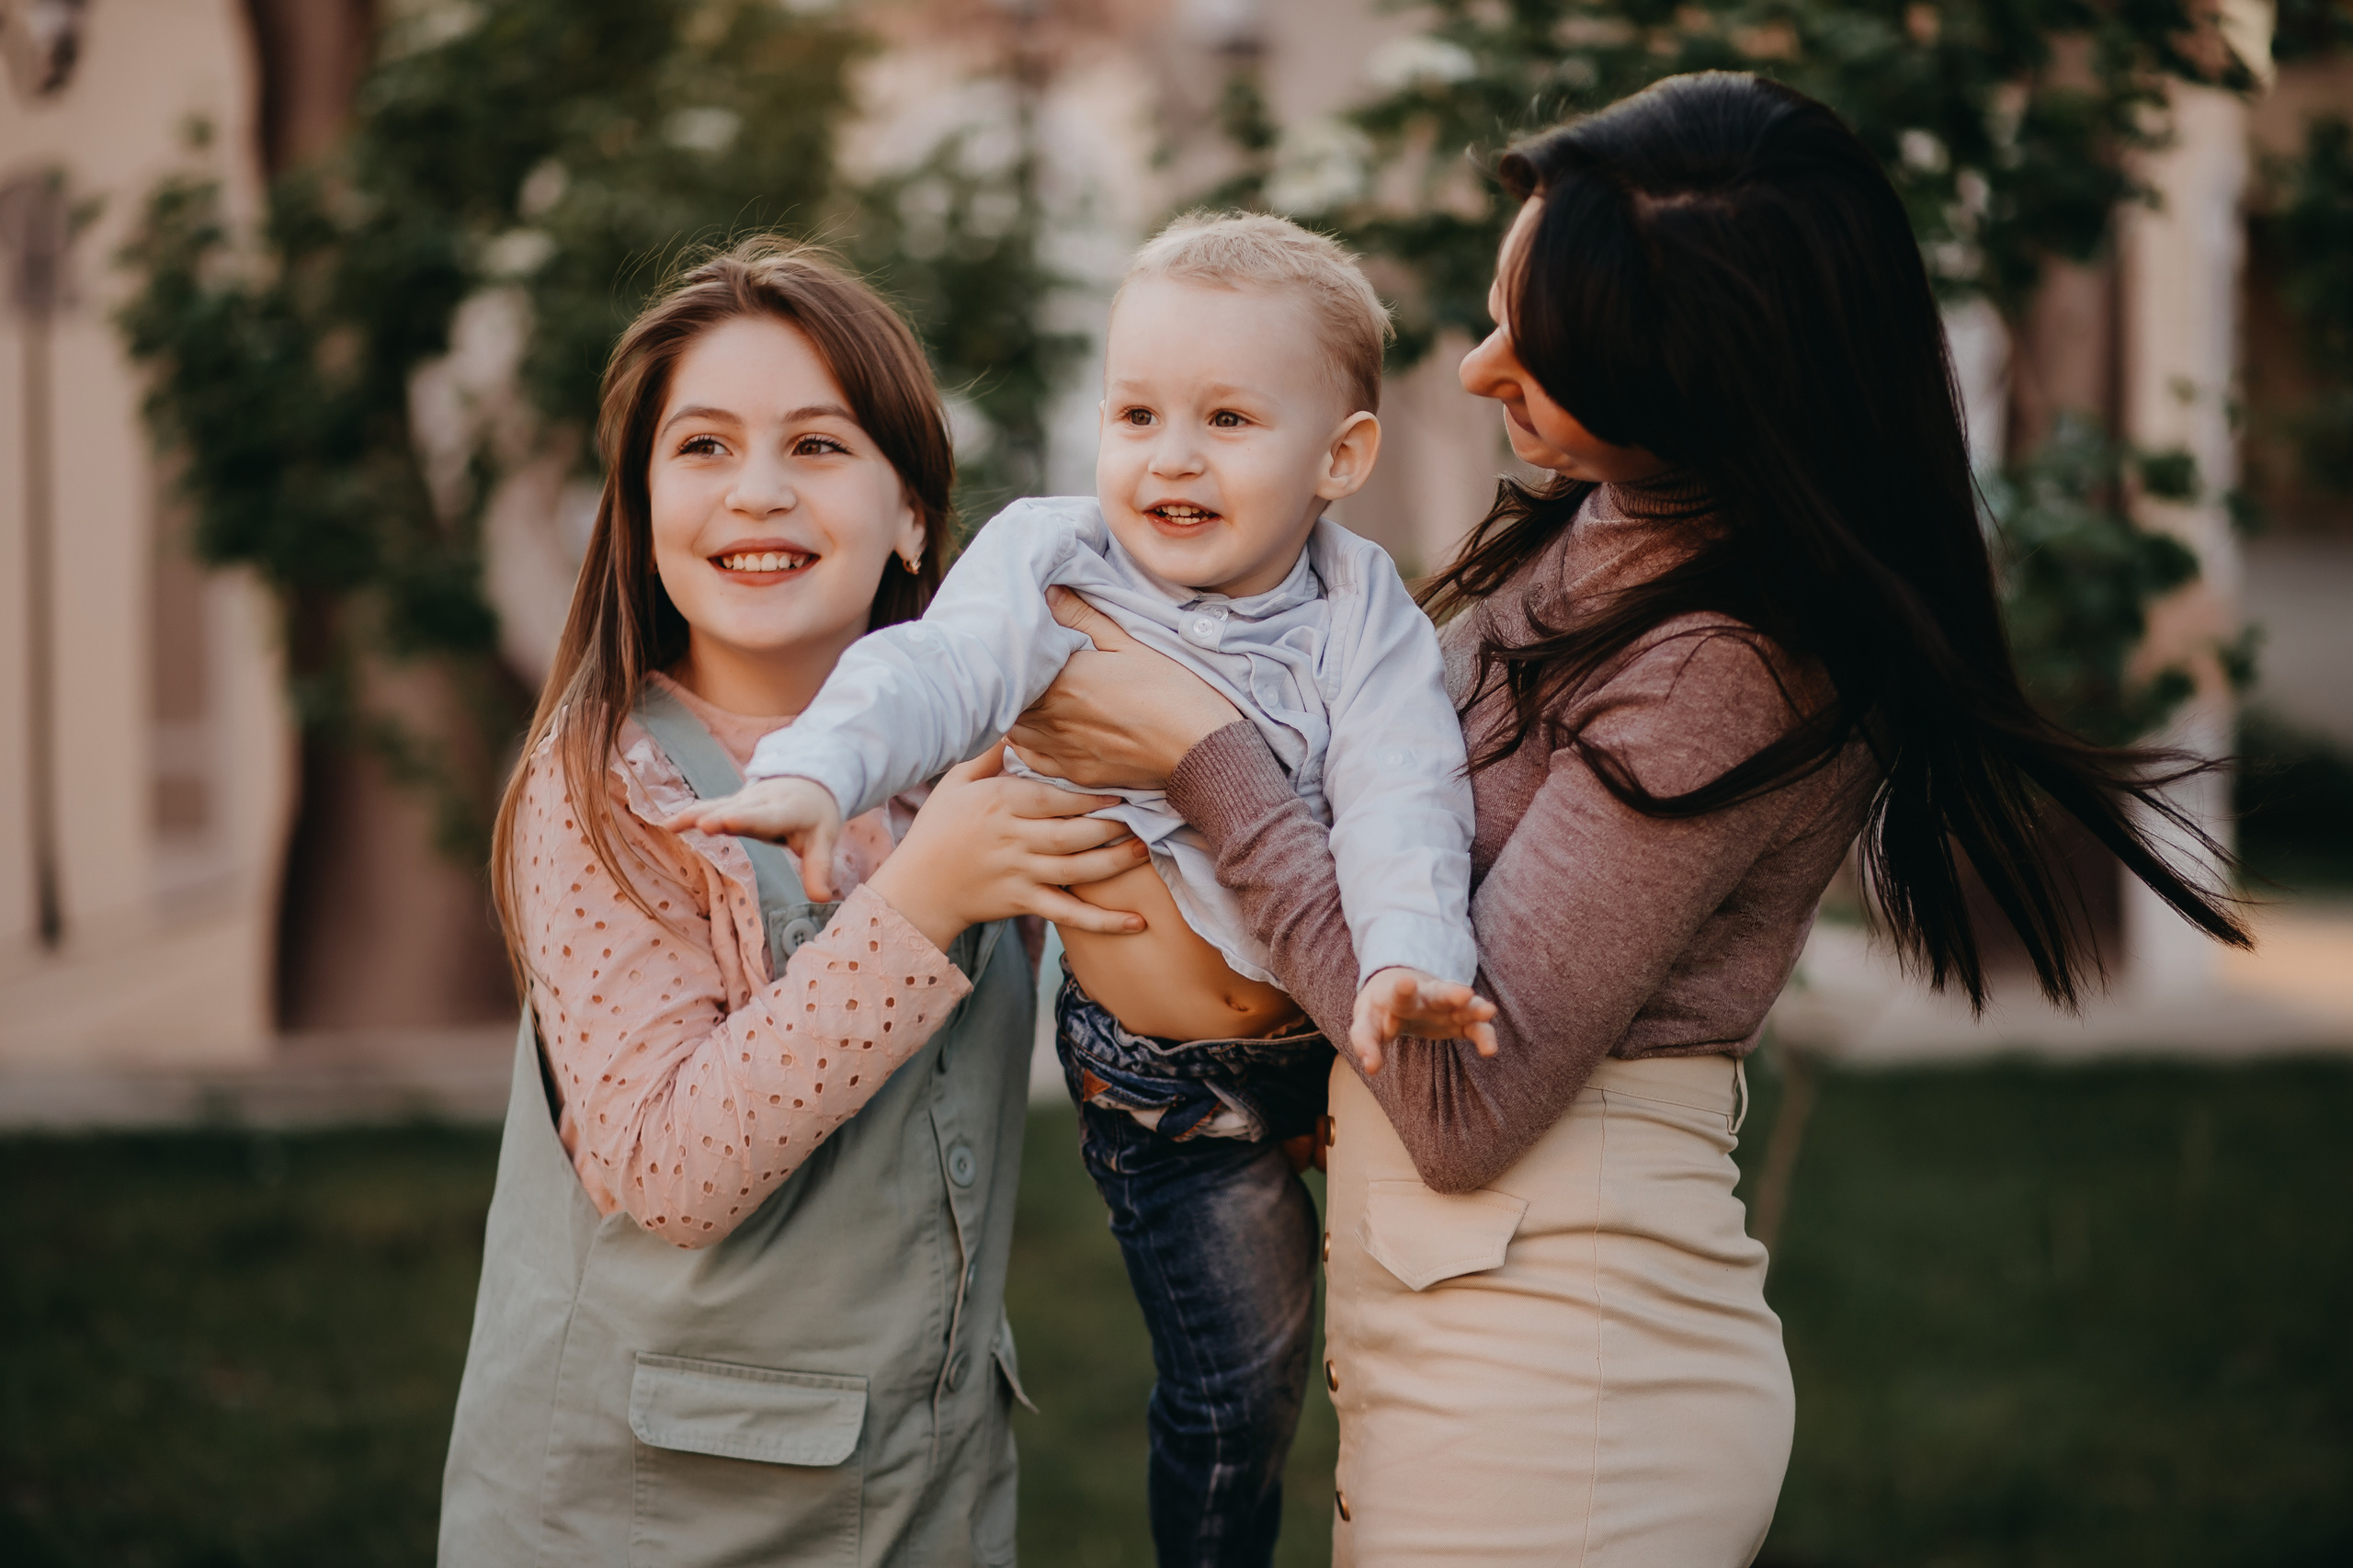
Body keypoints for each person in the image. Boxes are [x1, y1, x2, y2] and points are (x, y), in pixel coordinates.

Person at [1005, 72, 2248, 1562]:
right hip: (1466, 1347)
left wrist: (1203, 747)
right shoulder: (1609, 528)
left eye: (1545, 349)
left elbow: (1465, 1102)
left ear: (1697, 386)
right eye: (1500, 304)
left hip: (1565, 1395)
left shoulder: (1729, 660)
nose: (1474, 369)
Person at [682, 211, 1495, 1568]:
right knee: (1241, 1389)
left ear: (1340, 456)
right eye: (1136, 412)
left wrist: (1410, 953)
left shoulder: (1365, 612)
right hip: (1167, 1094)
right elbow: (926, 673)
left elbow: (1411, 790)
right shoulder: (1052, 558)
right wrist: (821, 770)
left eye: (1228, 418)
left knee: (1399, 1364)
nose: (1169, 454)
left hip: (1335, 1052)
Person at [438, 237, 1143, 1565]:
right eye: (701, 448)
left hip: (926, 1487)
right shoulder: (602, 787)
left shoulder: (976, 762)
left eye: (818, 447)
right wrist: (922, 900)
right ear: (642, 506)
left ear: (915, 514)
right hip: (644, 1514)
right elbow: (671, 1165)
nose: (756, 492)